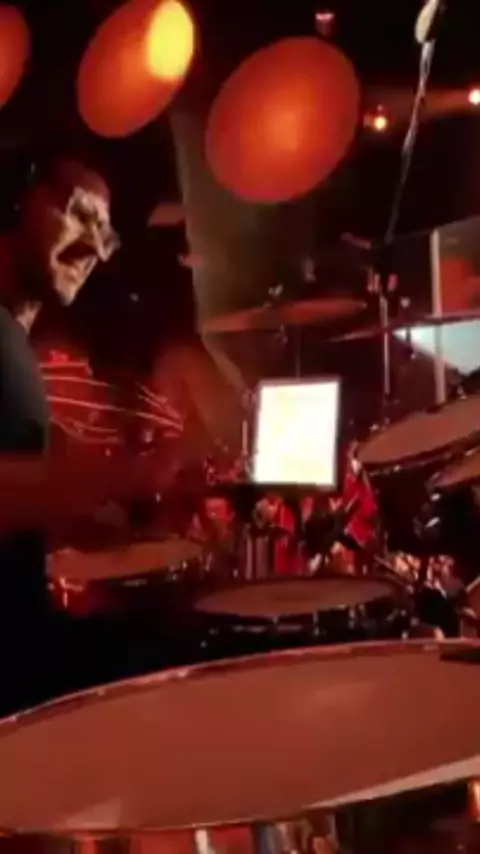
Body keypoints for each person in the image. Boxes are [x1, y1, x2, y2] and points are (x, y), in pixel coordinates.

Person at [0, 157, 163, 714]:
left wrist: (98, 515)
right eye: (81, 214)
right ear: (14, 198)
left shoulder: (14, 344)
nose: (95, 247)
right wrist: (118, 477)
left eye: (107, 234)